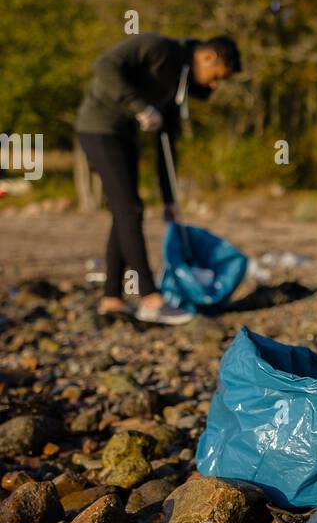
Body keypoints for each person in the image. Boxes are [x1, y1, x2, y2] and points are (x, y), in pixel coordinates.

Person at [76, 32, 242, 325]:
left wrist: (169, 199)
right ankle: (150, 298)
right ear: (208, 56)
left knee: (125, 212)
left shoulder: (177, 85)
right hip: (98, 128)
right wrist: (139, 105)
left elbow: (166, 143)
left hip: (123, 136)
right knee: (130, 210)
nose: (215, 85)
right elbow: (104, 66)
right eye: (217, 76)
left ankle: (112, 297)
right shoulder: (159, 48)